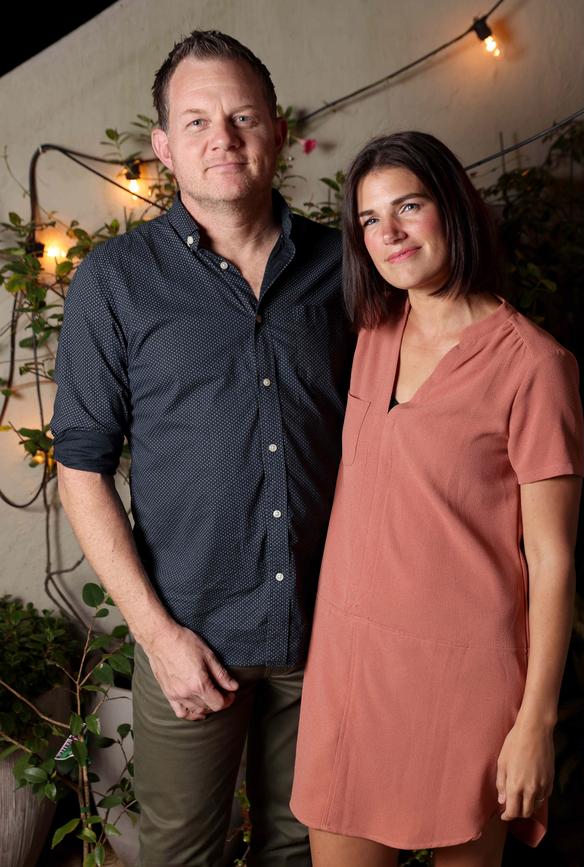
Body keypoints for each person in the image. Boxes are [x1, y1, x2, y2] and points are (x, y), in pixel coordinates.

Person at [50, 30, 354, 867]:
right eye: (196, 121)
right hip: (192, 640)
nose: (222, 136)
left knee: (302, 851)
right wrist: (157, 635)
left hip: (328, 634)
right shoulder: (114, 281)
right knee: (181, 857)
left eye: (241, 115)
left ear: (278, 132)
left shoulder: (347, 267)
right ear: (163, 148)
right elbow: (80, 471)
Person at [289, 131, 584, 867]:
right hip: (351, 671)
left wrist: (534, 723)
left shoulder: (536, 366)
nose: (388, 233)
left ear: (452, 208)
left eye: (408, 206)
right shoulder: (372, 333)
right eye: (368, 219)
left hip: (464, 687)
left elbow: (551, 559)